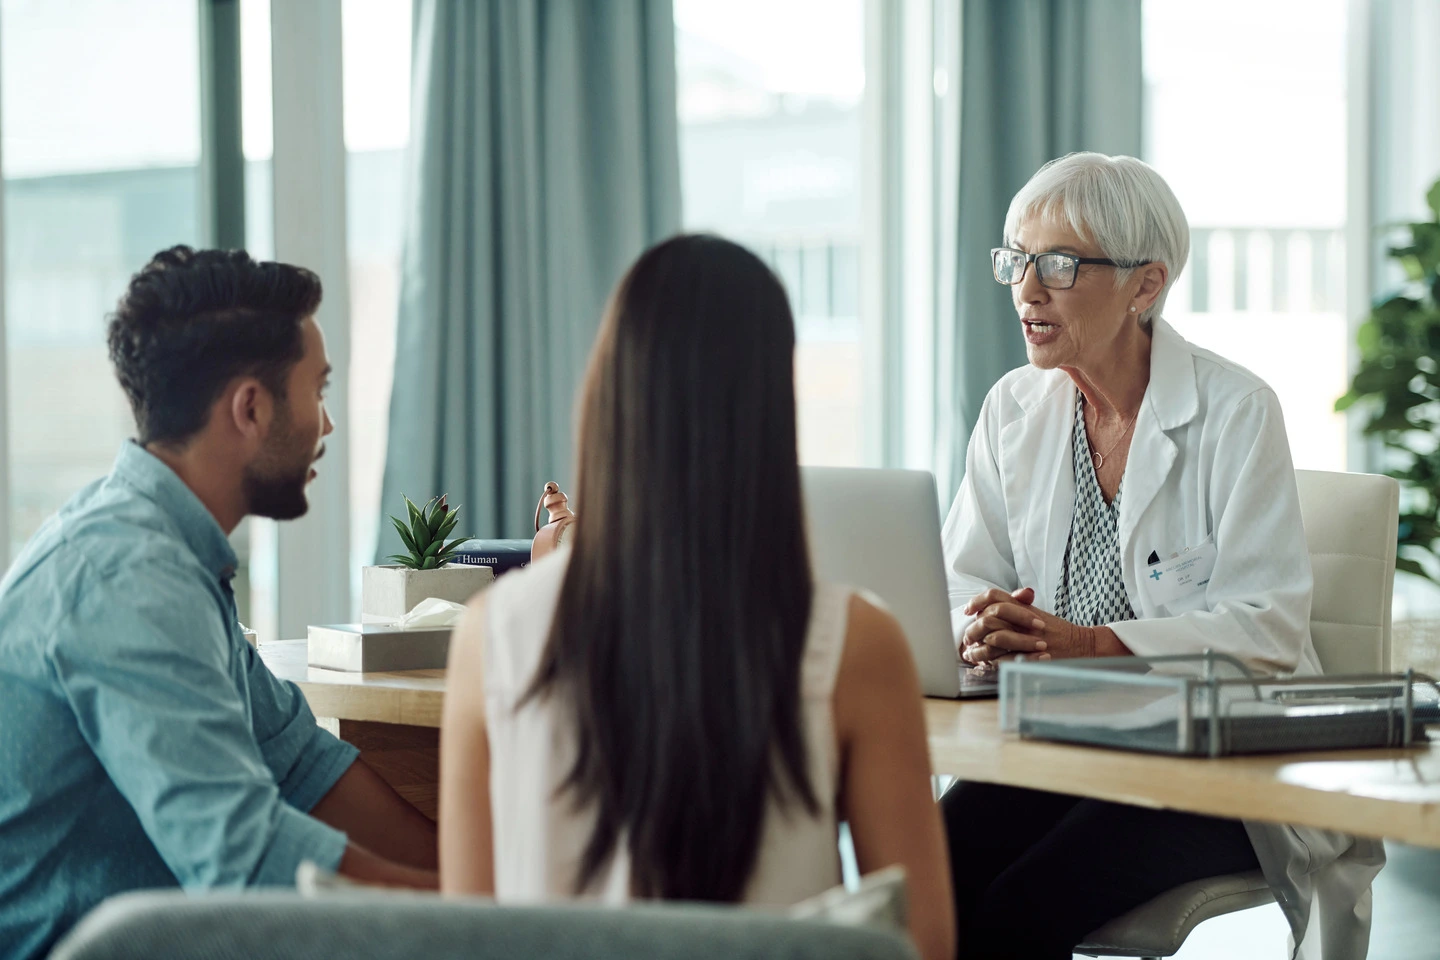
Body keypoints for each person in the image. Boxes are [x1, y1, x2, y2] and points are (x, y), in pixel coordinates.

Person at [439, 235, 955, 960]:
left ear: (607, 397)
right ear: (770, 416)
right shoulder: (855, 643)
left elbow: (469, 936)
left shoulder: (489, 634)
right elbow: (921, 948)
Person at [939, 152, 1383, 959]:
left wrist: (1090, 645)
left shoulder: (1235, 411)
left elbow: (1268, 629)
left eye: (1061, 265)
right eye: (1019, 261)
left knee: (1018, 907)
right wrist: (978, 625)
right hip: (1066, 737)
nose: (1028, 291)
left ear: (1146, 285)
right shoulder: (1014, 406)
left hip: (1220, 765)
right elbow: (964, 572)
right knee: (929, 873)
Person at [0, 247, 438, 960]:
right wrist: (477, 914)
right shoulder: (126, 575)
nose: (326, 425)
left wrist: (488, 890)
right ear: (252, 407)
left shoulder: (168, 552)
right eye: (318, 391)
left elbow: (300, 768)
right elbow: (248, 860)